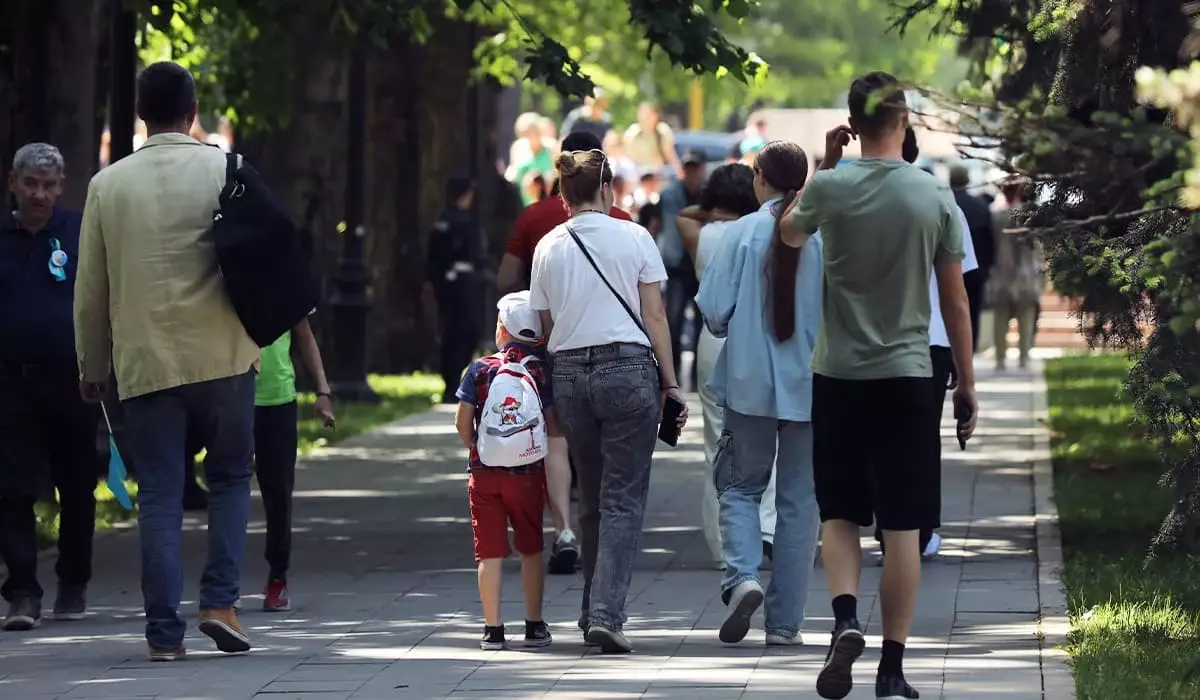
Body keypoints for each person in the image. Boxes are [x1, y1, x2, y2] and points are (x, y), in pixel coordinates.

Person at [782, 72, 977, 700]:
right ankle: (892, 672)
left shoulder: (831, 190)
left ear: (852, 122)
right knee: (902, 528)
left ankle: (844, 618)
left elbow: (788, 231)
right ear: (905, 120)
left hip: (837, 375)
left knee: (837, 511)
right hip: (908, 378)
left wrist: (824, 165)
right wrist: (967, 385)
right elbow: (955, 303)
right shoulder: (932, 197)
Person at [75, 61, 262, 661]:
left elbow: (91, 290)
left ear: (139, 112)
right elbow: (265, 254)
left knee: (157, 491)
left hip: (146, 360)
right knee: (231, 478)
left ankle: (163, 635)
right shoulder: (226, 168)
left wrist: (91, 365)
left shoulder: (108, 186)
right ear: (193, 109)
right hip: (226, 354)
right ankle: (220, 603)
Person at [528, 149, 687, 653]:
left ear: (563, 194)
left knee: (592, 498)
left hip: (571, 375)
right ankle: (605, 613)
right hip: (628, 371)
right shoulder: (635, 236)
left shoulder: (548, 246)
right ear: (607, 190)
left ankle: (589, 609)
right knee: (622, 498)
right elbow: (656, 316)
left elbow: (547, 326)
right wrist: (670, 382)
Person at [694, 143, 823, 647]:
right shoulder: (821, 234)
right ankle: (785, 623)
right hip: (812, 386)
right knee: (799, 502)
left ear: (761, 178)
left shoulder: (741, 232)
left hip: (748, 384)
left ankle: (743, 577)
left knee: (741, 487)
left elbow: (715, 311)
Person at [0, 143, 101, 630]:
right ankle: (22, 591)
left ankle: (74, 580)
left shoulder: (79, 232)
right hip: (10, 384)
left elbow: (102, 299)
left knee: (78, 486)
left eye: (48, 185)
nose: (39, 194)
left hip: (72, 380)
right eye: (30, 184)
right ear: (14, 184)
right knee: (12, 488)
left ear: (61, 187)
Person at [872, 127, 982, 562]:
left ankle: (888, 527)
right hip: (930, 340)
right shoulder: (939, 198)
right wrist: (965, 370)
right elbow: (957, 292)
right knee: (920, 440)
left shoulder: (850, 198)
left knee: (878, 440)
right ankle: (920, 530)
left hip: (868, 340)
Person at [454, 291, 556, 651]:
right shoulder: (541, 371)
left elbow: (462, 421)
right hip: (526, 474)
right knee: (530, 548)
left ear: (501, 331)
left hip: (484, 473)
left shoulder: (479, 369)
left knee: (489, 552)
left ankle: (492, 630)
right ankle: (533, 625)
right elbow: (552, 425)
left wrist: (477, 446)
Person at [674, 163, 761, 567]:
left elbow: (684, 213)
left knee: (716, 443)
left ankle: (723, 545)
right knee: (767, 435)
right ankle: (765, 528)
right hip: (758, 339)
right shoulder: (763, 231)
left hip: (714, 339)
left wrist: (712, 212)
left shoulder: (700, 233)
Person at [254, 318, 336, 612]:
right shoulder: (224, 276)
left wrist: (323, 391)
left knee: (277, 492)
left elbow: (304, 335)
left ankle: (278, 576)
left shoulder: (283, 277)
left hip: (277, 398)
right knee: (227, 489)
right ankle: (221, 587)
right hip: (229, 396)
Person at [427, 176, 486, 404]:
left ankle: (452, 380)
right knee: (460, 332)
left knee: (457, 332)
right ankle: (451, 381)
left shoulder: (446, 220)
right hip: (458, 286)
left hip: (451, 285)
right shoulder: (458, 221)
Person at [658, 151, 708, 385]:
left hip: (701, 268)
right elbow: (668, 224)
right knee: (674, 325)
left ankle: (698, 378)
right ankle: (674, 379)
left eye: (695, 167)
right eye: (687, 168)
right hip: (677, 268)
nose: (691, 172)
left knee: (702, 327)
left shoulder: (710, 195)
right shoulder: (670, 194)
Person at [989, 180, 1043, 370]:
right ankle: (1024, 357)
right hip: (1026, 273)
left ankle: (1000, 359)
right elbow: (1037, 246)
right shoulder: (1030, 215)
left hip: (1000, 271)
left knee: (1000, 318)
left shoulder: (994, 215)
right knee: (1026, 316)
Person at [949, 164, 995, 351]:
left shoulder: (944, 203)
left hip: (948, 266)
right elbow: (990, 241)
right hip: (977, 269)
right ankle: (970, 347)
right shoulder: (980, 206)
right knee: (973, 310)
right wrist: (990, 266)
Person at [623, 103, 682, 178]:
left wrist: (679, 171)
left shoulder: (663, 131)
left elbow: (670, 154)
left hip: (659, 173)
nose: (646, 118)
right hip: (638, 173)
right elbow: (628, 158)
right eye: (644, 114)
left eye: (650, 114)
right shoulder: (632, 133)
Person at [507, 113, 555, 206]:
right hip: (523, 205)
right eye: (525, 133)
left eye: (533, 132)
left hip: (546, 205)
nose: (529, 136)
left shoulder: (551, 149)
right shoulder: (517, 148)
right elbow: (513, 175)